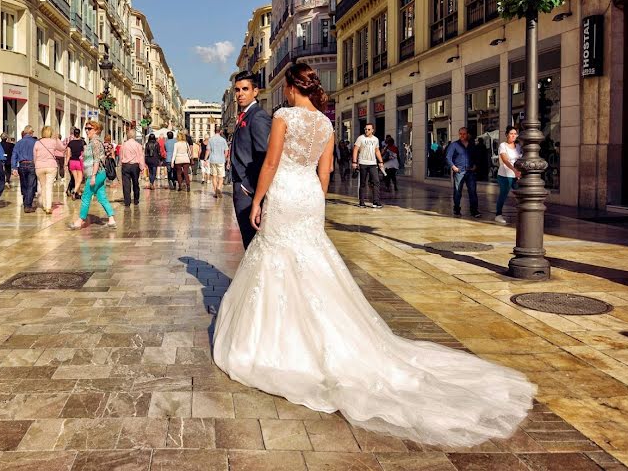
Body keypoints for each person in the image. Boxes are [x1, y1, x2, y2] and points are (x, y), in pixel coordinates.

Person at [213, 62, 535, 448]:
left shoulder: (283, 116)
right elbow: (326, 170)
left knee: (276, 260)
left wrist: (259, 199)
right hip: (309, 196)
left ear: (291, 87)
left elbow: (269, 162)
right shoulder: (327, 126)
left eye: (285, 86)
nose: (282, 92)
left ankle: (275, 341)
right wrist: (318, 199)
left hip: (283, 191)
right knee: (312, 262)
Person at [228, 71, 272, 248]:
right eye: (237, 90)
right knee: (249, 240)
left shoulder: (257, 116)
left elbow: (263, 154)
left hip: (248, 188)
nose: (240, 94)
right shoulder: (245, 115)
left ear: (255, 91)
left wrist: (248, 186)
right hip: (241, 184)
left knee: (252, 241)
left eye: (245, 89)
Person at [69, 120, 115, 229]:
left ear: (96, 130)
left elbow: (96, 160)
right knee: (101, 196)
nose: (86, 131)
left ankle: (80, 220)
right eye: (86, 128)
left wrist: (93, 176)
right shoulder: (93, 142)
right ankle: (111, 219)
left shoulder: (95, 142)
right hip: (98, 173)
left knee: (85, 196)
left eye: (89, 129)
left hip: (96, 173)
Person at [447, 127, 480, 218]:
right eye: (460, 134)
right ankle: (457, 209)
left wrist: (475, 165)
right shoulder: (454, 145)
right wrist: (453, 167)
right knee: (458, 191)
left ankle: (474, 210)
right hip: (459, 171)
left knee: (472, 192)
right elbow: (448, 157)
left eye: (464, 134)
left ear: (467, 134)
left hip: (470, 172)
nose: (462, 135)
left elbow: (476, 157)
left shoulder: (472, 145)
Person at [33, 125, 65, 214]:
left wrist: (36, 164)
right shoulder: (53, 142)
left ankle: (44, 204)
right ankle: (48, 207)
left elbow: (35, 157)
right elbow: (62, 148)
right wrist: (57, 138)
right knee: (49, 186)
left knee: (43, 186)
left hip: (39, 166)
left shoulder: (37, 143)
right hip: (51, 166)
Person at [352, 123, 384, 208]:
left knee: (376, 182)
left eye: (369, 129)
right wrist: (354, 162)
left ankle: (376, 202)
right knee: (362, 183)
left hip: (373, 163)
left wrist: (381, 161)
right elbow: (355, 149)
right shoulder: (360, 138)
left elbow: (377, 151)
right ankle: (361, 202)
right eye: (365, 129)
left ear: (373, 130)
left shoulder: (376, 139)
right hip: (363, 163)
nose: (367, 131)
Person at [495, 126, 522, 224]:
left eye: (515, 134)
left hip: (516, 175)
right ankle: (498, 215)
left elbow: (519, 160)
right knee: (503, 194)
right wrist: (514, 170)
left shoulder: (518, 146)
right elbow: (505, 160)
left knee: (521, 194)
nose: (513, 136)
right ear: (507, 135)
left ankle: (522, 213)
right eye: (511, 133)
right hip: (505, 175)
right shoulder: (503, 145)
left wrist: (519, 172)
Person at [11, 126, 37, 213]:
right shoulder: (35, 142)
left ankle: (26, 201)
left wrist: (14, 167)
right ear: (31, 132)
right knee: (31, 185)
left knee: (24, 184)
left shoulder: (18, 143)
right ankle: (27, 205)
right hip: (31, 164)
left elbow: (14, 155)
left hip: (21, 164)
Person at [120, 129, 146, 207]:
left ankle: (127, 201)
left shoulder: (123, 145)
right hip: (135, 166)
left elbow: (121, 156)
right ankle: (136, 200)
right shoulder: (138, 145)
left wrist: (121, 163)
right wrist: (142, 167)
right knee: (135, 182)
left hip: (126, 165)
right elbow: (141, 157)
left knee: (126, 184)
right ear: (134, 136)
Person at [207, 125, 229, 199]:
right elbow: (226, 150)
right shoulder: (223, 140)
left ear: (214, 131)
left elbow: (208, 150)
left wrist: (205, 159)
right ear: (220, 131)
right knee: (221, 176)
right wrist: (224, 157)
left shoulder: (211, 139)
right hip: (221, 160)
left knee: (214, 176)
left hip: (212, 159)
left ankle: (216, 192)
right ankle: (219, 188)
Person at [66, 128, 85, 200]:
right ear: (79, 134)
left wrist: (65, 164)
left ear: (73, 134)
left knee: (76, 179)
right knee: (80, 179)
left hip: (72, 162)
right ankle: (74, 192)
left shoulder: (70, 143)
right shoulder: (83, 142)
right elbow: (85, 153)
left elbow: (68, 154)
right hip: (79, 162)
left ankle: (79, 193)